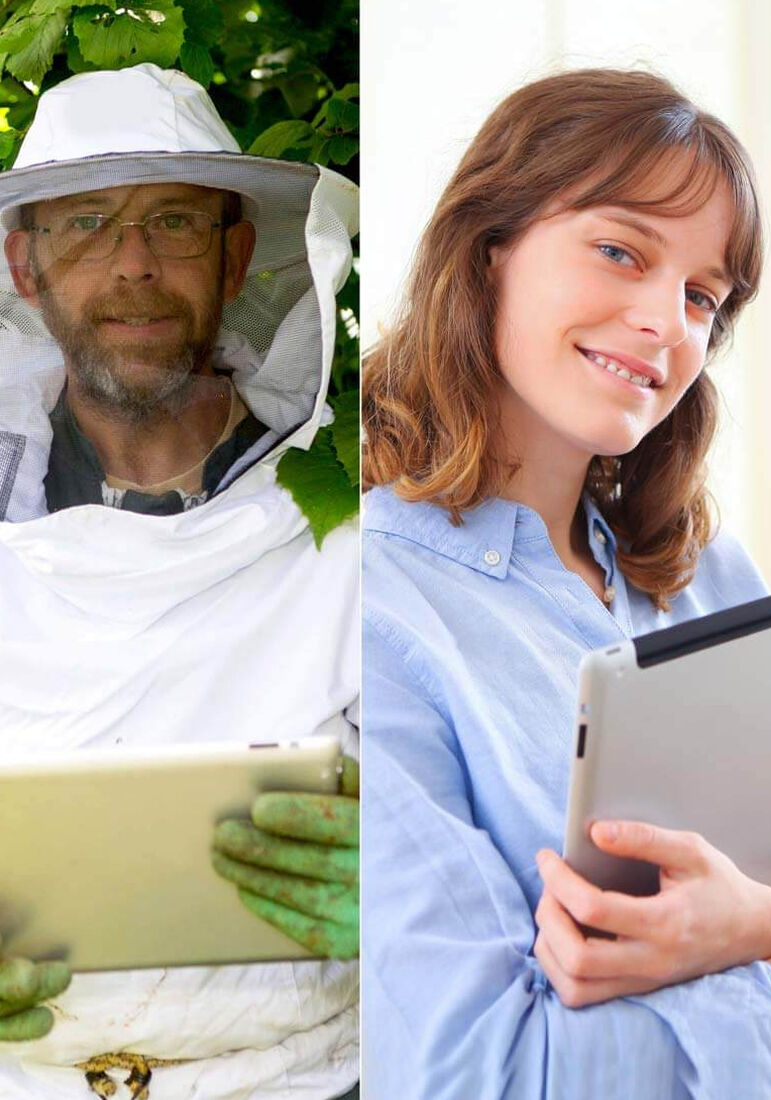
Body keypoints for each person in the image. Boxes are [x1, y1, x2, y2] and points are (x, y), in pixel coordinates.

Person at [357, 69, 771, 1097]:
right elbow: (487, 1073)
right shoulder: (369, 617)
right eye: (620, 251)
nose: (666, 323)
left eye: (702, 297)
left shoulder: (716, 583)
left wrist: (759, 925)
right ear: (490, 245)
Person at [0, 64, 362, 1099]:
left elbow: (492, 829)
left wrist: (410, 869)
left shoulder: (357, 521)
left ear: (236, 256)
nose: (134, 264)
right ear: (26, 266)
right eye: (85, 225)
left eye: (174, 222)